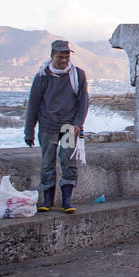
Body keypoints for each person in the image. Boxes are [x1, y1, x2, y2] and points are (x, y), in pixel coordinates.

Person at [24, 39, 90, 213]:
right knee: (47, 162)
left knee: (68, 161)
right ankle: (48, 200)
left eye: (66, 57)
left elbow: (83, 102)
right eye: (60, 57)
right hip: (47, 127)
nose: (63, 61)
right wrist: (28, 131)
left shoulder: (78, 75)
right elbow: (33, 104)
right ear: (52, 56)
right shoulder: (42, 76)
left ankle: (67, 201)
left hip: (68, 127)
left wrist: (77, 123)